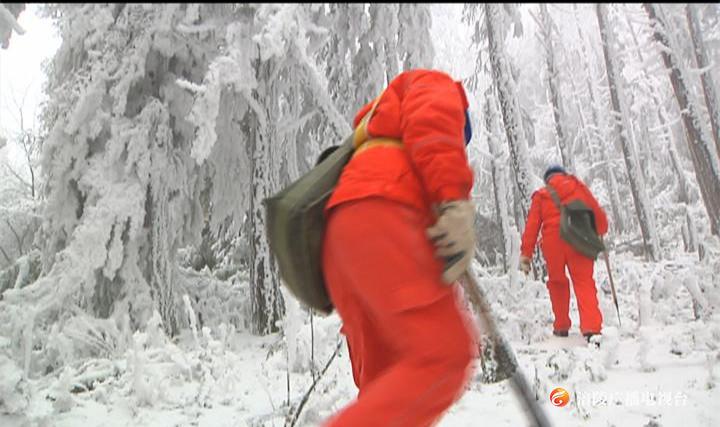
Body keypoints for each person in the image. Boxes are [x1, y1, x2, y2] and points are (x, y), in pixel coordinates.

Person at [321, 69, 478, 427]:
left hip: (343, 234)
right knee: (444, 355)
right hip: (383, 213)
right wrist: (452, 199)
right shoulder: (431, 85)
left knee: (388, 381)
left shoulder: (367, 148)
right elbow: (435, 121)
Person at [519, 165, 608, 342]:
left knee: (557, 282)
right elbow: (596, 211)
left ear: (547, 179)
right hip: (578, 238)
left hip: (553, 243)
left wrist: (526, 254)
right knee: (584, 282)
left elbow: (532, 226)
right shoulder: (577, 187)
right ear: (563, 174)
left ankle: (561, 326)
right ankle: (591, 329)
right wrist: (600, 228)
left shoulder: (541, 195)